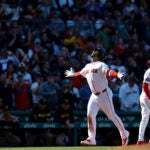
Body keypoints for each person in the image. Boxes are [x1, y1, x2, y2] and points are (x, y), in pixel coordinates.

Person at [64, 48, 129, 146]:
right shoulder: (88, 66)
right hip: (94, 95)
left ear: (97, 56)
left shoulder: (101, 65)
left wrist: (117, 75)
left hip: (104, 94)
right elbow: (80, 73)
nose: (93, 53)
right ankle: (91, 138)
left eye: (94, 53)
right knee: (90, 115)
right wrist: (72, 74)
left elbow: (109, 72)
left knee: (111, 116)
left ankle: (124, 134)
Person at [137, 66, 150, 145]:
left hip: (145, 96)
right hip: (146, 97)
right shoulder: (149, 72)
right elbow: (145, 86)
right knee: (144, 118)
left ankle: (140, 140)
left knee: (144, 118)